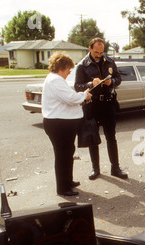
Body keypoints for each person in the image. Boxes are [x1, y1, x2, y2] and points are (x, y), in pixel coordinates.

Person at [75, 37, 128, 180]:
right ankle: (95, 168)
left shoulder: (110, 61)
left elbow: (118, 79)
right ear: (90, 48)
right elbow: (77, 86)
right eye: (96, 52)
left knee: (111, 136)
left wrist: (112, 82)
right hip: (92, 104)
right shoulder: (82, 65)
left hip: (108, 103)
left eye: (101, 52)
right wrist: (90, 84)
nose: (99, 55)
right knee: (93, 137)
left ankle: (115, 168)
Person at [42, 52, 92, 196]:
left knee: (68, 152)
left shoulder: (56, 79)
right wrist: (84, 95)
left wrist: (81, 98)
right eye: (68, 69)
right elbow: (69, 98)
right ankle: (62, 188)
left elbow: (67, 100)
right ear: (61, 67)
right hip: (58, 124)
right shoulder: (55, 80)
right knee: (63, 155)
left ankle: (67, 181)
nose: (70, 72)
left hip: (62, 123)